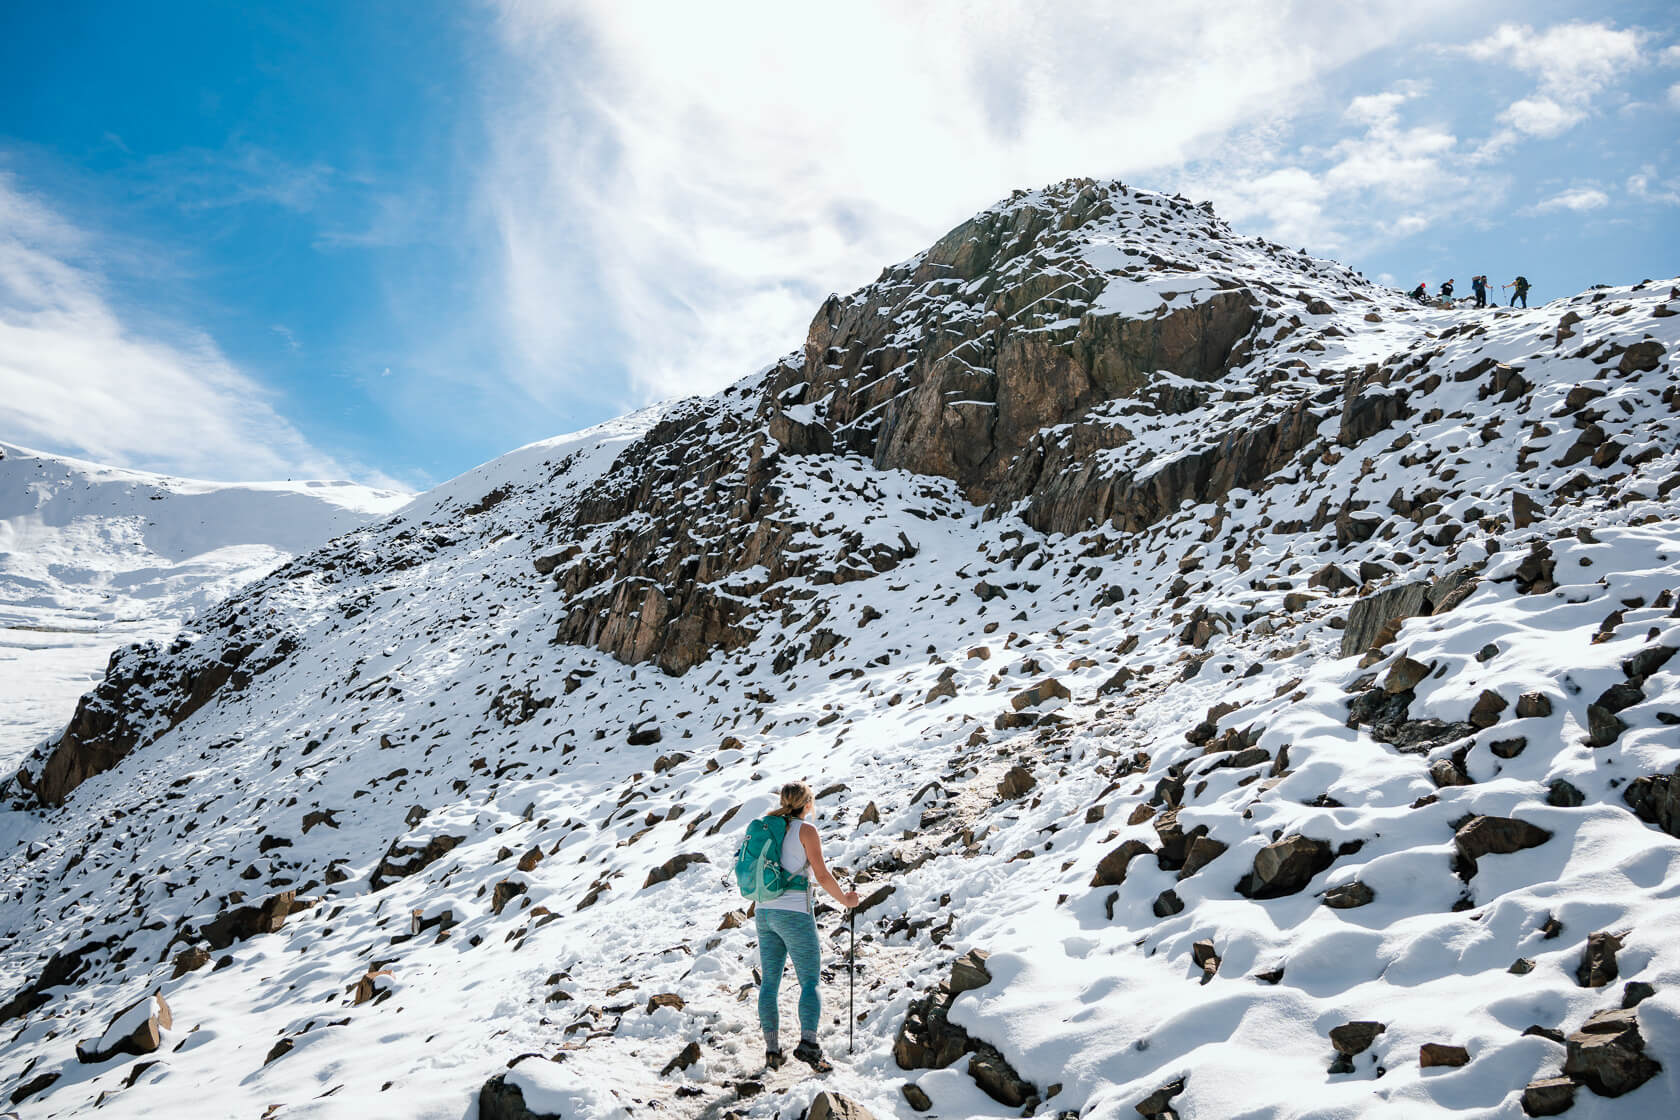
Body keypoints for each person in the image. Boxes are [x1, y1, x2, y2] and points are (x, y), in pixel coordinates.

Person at [754, 781, 858, 1074]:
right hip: (795, 912)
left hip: (763, 911)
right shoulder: (806, 831)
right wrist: (846, 901)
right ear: (807, 803)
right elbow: (823, 876)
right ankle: (809, 1045)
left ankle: (772, 1051)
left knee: (770, 982)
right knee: (809, 980)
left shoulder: (767, 826)